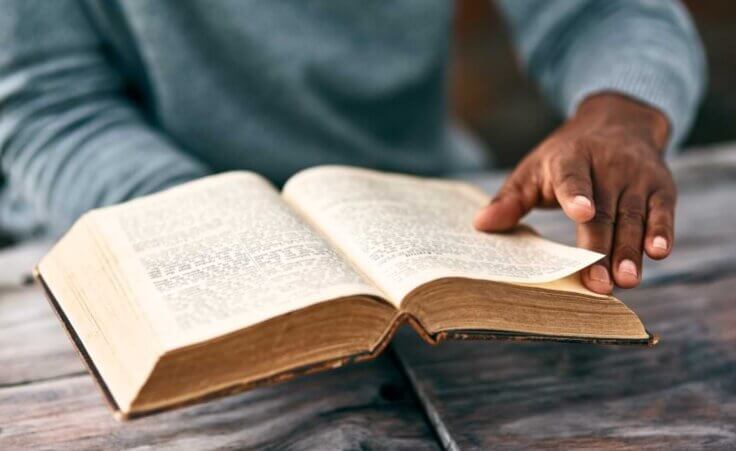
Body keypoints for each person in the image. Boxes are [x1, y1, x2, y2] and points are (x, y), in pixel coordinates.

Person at [0, 1, 705, 294]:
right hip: (119, 230)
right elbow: (48, 106)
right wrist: (220, 227)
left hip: (413, 225)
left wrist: (623, 110)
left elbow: (610, 10)